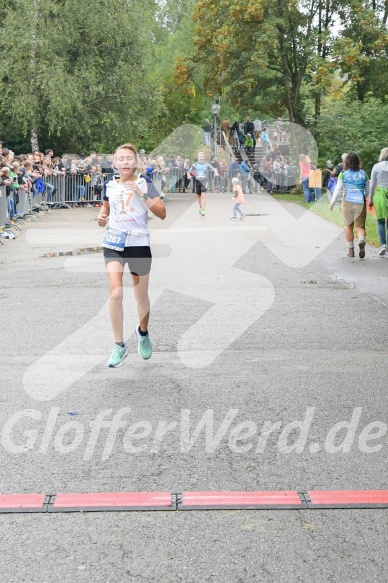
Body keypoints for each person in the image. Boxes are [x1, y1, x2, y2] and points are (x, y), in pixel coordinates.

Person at [97, 143, 166, 368]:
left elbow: (162, 213)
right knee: (116, 293)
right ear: (114, 163)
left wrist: (141, 193)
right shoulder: (108, 184)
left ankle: (143, 333)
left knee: (141, 296)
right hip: (114, 243)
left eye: (129, 159)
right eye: (121, 159)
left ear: (136, 163)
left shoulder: (145, 183)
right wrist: (101, 216)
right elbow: (106, 209)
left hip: (138, 244)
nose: (125, 162)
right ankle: (119, 345)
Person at [329, 151, 367, 258]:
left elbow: (337, 189)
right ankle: (361, 240)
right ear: (358, 162)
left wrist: (332, 202)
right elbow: (367, 191)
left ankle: (351, 250)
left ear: (346, 162)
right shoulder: (364, 174)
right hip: (360, 202)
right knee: (360, 226)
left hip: (347, 202)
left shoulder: (343, 174)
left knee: (349, 227)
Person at [369, 147, 388, 256]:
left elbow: (372, 185)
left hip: (380, 194)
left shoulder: (376, 167)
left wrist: (370, 200)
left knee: (380, 220)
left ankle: (383, 245)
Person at [188, 151, 219, 216]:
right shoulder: (195, 165)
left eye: (202, 156)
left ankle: (203, 210)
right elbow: (189, 171)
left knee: (203, 195)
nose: (201, 158)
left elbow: (213, 169)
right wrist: (189, 176)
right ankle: (201, 207)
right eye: (200, 156)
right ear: (198, 157)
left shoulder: (207, 164)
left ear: (204, 157)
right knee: (198, 196)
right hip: (197, 181)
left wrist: (216, 172)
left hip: (205, 181)